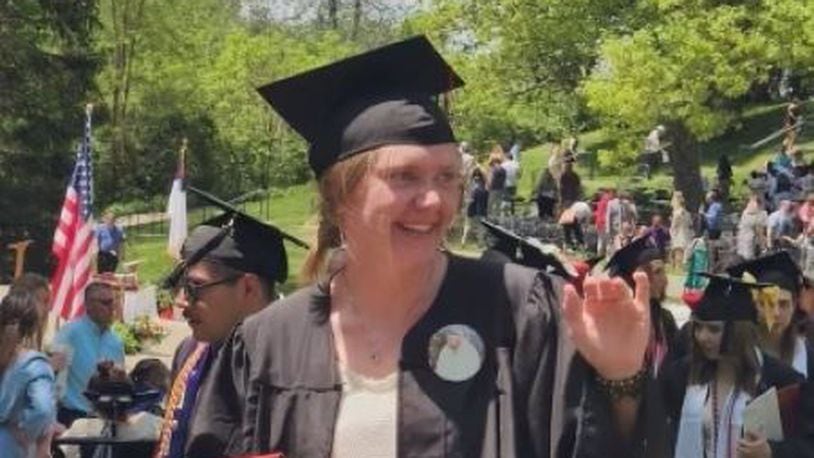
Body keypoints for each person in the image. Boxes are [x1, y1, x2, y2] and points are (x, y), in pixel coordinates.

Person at [202, 36, 663, 457]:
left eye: (447, 178)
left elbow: (594, 443)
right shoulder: (267, 343)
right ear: (340, 198)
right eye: (405, 176)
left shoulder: (520, 311)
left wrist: (621, 376)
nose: (434, 201)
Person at [154, 187, 305, 458]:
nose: (181, 302)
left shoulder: (294, 364)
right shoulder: (190, 352)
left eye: (194, 287)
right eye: (180, 287)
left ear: (249, 288)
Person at [660, 274, 814, 457]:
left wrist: (772, 451)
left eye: (714, 329)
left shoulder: (783, 382)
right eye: (698, 327)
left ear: (739, 332)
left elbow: (808, 445)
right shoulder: (681, 375)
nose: (702, 337)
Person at [728, 252, 814, 380]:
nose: (776, 313)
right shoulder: (738, 353)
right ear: (755, 305)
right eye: (768, 304)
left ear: (794, 305)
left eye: (784, 304)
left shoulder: (806, 355)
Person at [51, 281, 125, 428]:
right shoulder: (70, 333)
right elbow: (53, 375)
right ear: (89, 305)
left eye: (114, 302)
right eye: (106, 303)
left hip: (104, 419)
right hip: (72, 416)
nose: (112, 308)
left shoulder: (115, 342)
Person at [606, 236, 678, 377]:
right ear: (636, 278)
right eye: (657, 272)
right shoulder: (620, 320)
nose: (665, 280)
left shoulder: (664, 319)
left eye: (664, 271)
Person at [0, 290, 57, 458]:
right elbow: (42, 409)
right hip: (11, 447)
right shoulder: (34, 364)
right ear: (34, 327)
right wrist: (27, 432)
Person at [736, 192, 769, 260]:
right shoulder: (761, 214)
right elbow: (759, 232)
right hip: (750, 243)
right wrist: (764, 248)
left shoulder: (745, 212)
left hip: (743, 241)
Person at [669, 191, 694, 270]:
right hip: (687, 233)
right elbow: (690, 223)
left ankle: (678, 268)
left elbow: (674, 226)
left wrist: (672, 234)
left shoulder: (677, 213)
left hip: (679, 234)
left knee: (678, 251)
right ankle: (683, 267)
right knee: (684, 251)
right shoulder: (687, 213)